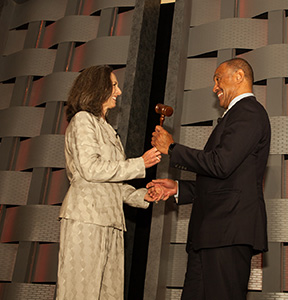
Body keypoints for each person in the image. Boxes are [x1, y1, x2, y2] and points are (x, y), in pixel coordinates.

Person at [148, 58, 271, 300]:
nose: (214, 87)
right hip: (212, 234)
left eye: (218, 78)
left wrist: (172, 149)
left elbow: (220, 163)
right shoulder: (236, 115)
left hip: (227, 233)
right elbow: (225, 180)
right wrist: (178, 189)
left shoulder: (249, 112)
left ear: (238, 76)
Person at [56, 65, 161, 300]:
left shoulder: (108, 130)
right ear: (97, 88)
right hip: (86, 219)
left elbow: (114, 183)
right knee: (80, 293)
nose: (119, 91)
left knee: (109, 294)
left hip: (111, 222)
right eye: (114, 85)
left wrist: (143, 195)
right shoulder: (83, 120)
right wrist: (140, 163)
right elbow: (91, 169)